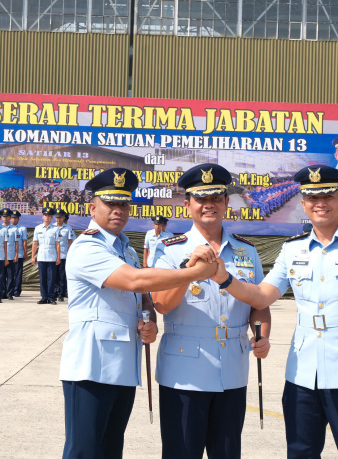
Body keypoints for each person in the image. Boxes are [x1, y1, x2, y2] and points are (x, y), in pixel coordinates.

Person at [200, 164, 338, 459]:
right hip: (302, 372)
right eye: (312, 198)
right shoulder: (293, 249)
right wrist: (224, 278)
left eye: (328, 196)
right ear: (303, 203)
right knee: (300, 452)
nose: (320, 204)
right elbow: (262, 295)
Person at [59, 167, 216, 459]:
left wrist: (150, 321)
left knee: (110, 450)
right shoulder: (87, 248)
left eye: (123, 204)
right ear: (92, 208)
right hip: (90, 367)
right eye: (110, 204)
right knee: (84, 451)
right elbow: (134, 281)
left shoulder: (128, 251)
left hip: (122, 366)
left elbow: (142, 298)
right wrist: (193, 273)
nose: (118, 210)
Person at [151, 163, 270, 459]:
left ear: (227, 202)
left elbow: (260, 304)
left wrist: (262, 334)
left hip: (233, 369)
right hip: (184, 372)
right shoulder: (170, 249)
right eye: (201, 199)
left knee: (227, 453)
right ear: (187, 204)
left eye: (216, 198)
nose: (209, 206)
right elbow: (162, 303)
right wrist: (189, 269)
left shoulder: (247, 251)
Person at [33, 206, 61, 305]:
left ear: (52, 217)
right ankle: (44, 297)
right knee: (43, 278)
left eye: (49, 215)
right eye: (45, 215)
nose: (47, 217)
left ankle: (51, 297)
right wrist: (33, 256)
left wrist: (58, 257)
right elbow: (35, 243)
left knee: (51, 278)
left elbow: (58, 243)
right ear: (42, 216)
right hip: (41, 256)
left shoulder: (55, 229)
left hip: (52, 256)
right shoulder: (38, 228)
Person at [55, 209, 74, 301]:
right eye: (57, 217)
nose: (58, 219)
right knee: (54, 275)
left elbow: (70, 243)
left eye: (60, 217)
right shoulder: (52, 227)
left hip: (63, 255)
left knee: (62, 276)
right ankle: (54, 292)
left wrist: (70, 256)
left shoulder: (68, 228)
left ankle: (61, 293)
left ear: (63, 218)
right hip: (53, 255)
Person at [9, 210, 27, 297]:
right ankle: (9, 289)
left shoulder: (22, 228)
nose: (13, 220)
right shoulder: (6, 228)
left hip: (19, 254)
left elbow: (24, 241)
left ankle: (17, 290)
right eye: (12, 218)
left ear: (18, 219)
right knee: (9, 273)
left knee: (18, 273)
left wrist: (25, 253)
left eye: (15, 218)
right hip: (8, 254)